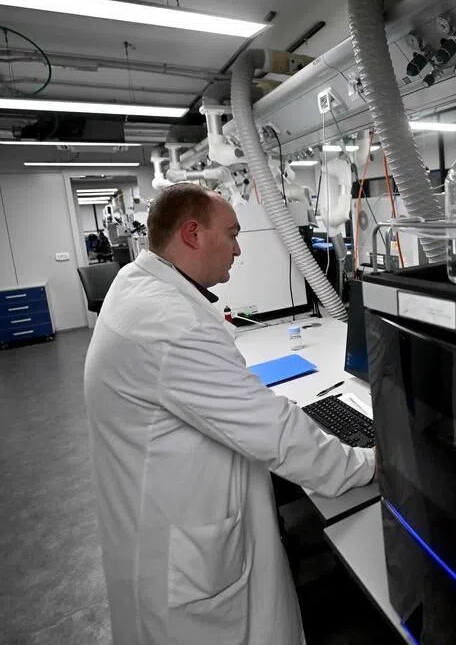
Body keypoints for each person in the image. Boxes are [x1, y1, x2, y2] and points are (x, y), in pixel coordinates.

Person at [84, 184, 374, 645]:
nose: (239, 249)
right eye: (233, 234)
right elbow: (273, 431)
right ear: (193, 234)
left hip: (164, 515)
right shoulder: (168, 321)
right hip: (183, 562)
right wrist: (364, 464)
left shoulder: (142, 286)